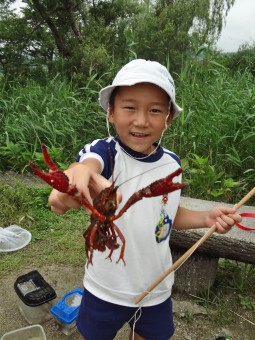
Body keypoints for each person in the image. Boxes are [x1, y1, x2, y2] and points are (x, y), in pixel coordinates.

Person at [49, 59, 242, 340]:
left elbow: (164, 216)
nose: (141, 120)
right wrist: (78, 174)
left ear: (168, 118)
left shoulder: (172, 165)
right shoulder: (105, 152)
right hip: (106, 289)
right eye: (129, 107)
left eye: (154, 110)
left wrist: (205, 218)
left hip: (157, 287)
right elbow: (88, 166)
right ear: (111, 112)